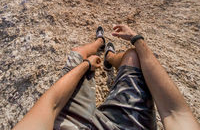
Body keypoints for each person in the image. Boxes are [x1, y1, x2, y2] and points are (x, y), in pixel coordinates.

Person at [13, 25, 199, 130]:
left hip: (72, 125)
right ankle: (108, 56)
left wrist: (86, 66)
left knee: (77, 53)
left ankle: (99, 43)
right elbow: (175, 111)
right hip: (128, 126)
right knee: (133, 56)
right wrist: (137, 39)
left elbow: (52, 104)